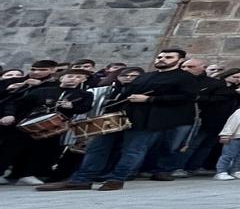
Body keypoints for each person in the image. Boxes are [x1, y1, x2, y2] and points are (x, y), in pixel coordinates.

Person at [52, 49, 204, 191]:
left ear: (180, 60)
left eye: (168, 57)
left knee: (133, 150)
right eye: (160, 57)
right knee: (98, 147)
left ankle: (117, 179)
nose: (162, 59)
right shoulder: (146, 76)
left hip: (150, 120)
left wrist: (150, 99)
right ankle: (82, 179)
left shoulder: (185, 78)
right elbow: (126, 93)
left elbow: (187, 98)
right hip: (123, 116)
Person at [0, 67, 95, 185]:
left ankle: (28, 174)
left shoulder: (85, 94)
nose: (73, 79)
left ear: (83, 80)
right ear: (62, 78)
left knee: (43, 150)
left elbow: (85, 108)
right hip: (30, 121)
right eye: (70, 76)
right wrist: (9, 115)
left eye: (78, 77)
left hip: (55, 125)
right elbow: (18, 102)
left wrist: (72, 107)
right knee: (12, 147)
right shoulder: (43, 90)